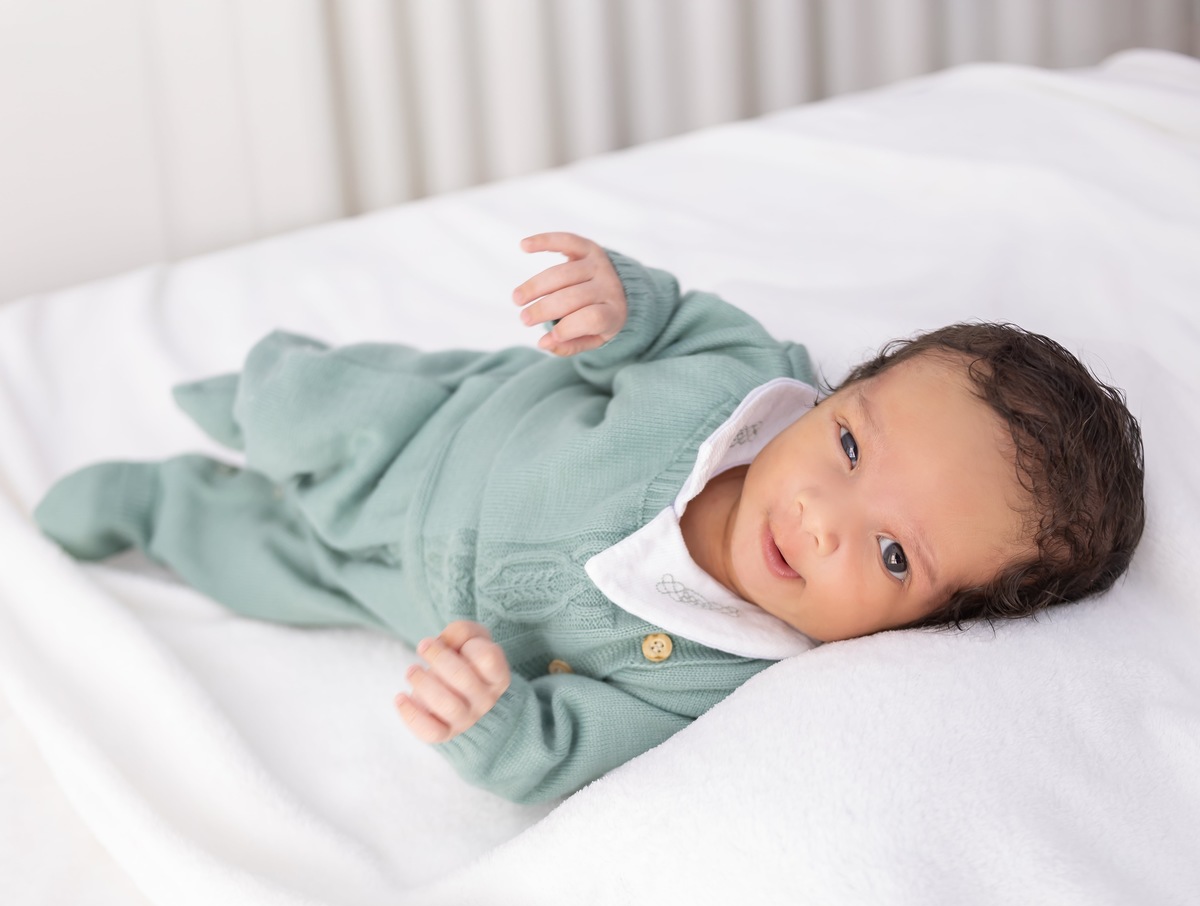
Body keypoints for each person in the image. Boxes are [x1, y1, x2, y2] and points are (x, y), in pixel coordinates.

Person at [34, 232, 1145, 804]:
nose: (817, 518)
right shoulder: (744, 379)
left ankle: (160, 505)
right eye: (850, 445)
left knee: (267, 561)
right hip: (443, 424)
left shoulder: (723, 674)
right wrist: (622, 302)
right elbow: (671, 322)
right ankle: (238, 406)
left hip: (412, 594)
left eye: (894, 553)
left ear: (932, 626)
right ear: (839, 390)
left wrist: (499, 727)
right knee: (303, 406)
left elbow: (574, 749)